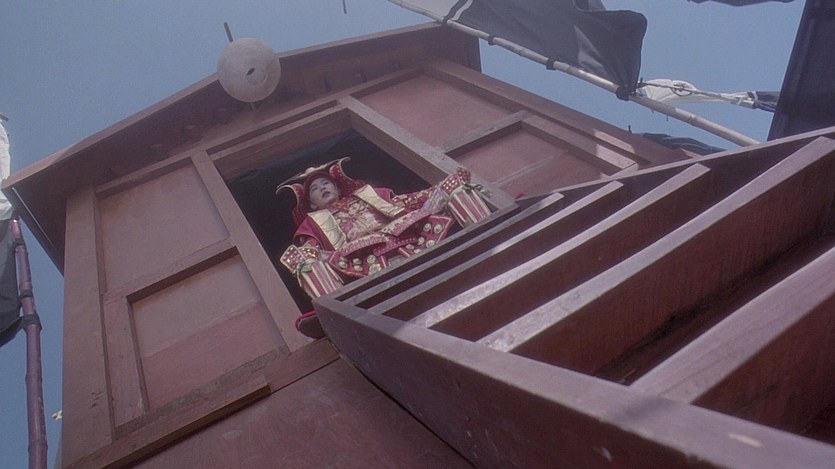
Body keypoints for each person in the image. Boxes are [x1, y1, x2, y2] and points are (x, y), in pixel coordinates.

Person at [278, 157, 491, 337]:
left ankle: (490, 234)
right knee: (300, 258)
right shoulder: (312, 224)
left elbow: (412, 201)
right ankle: (336, 310)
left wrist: (442, 188)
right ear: (312, 203)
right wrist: (310, 255)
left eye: (326, 183)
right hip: (358, 261)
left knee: (452, 185)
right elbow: (312, 249)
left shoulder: (368, 195)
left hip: (407, 239)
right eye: (315, 189)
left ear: (337, 187)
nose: (322, 188)